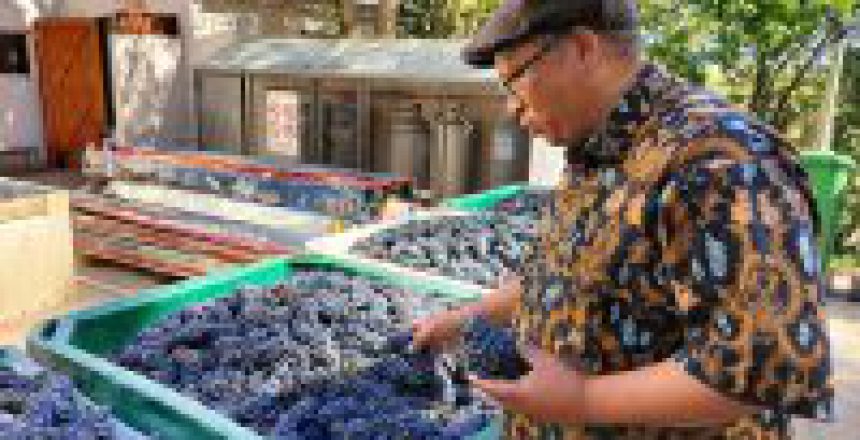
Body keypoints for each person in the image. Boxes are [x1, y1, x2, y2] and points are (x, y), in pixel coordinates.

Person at [411, 0, 834, 438]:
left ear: (581, 47)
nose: (512, 110)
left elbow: (760, 371)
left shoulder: (721, 161)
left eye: (514, 81)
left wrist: (583, 401)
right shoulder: (598, 146)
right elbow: (567, 275)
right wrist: (465, 319)